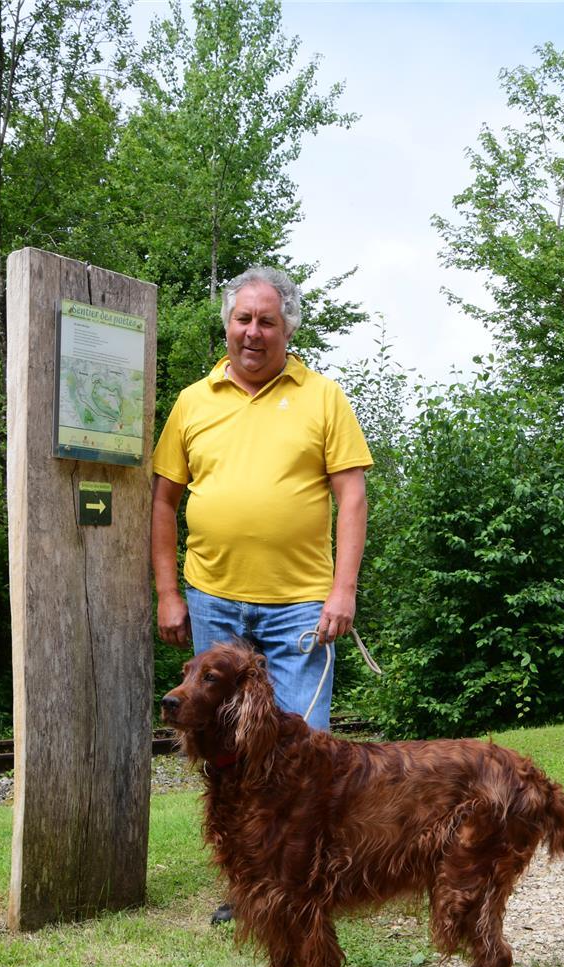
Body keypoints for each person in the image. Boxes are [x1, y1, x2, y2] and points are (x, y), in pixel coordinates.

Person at [151, 266, 373, 921]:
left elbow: (352, 497)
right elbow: (163, 502)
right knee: (224, 750)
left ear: (287, 329)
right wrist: (168, 592)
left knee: (301, 753)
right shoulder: (193, 401)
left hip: (301, 605)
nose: (253, 332)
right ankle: (246, 882)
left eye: (267, 321)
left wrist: (343, 590)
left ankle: (302, 884)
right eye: (243, 319)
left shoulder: (322, 397)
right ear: (228, 324)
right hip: (213, 600)